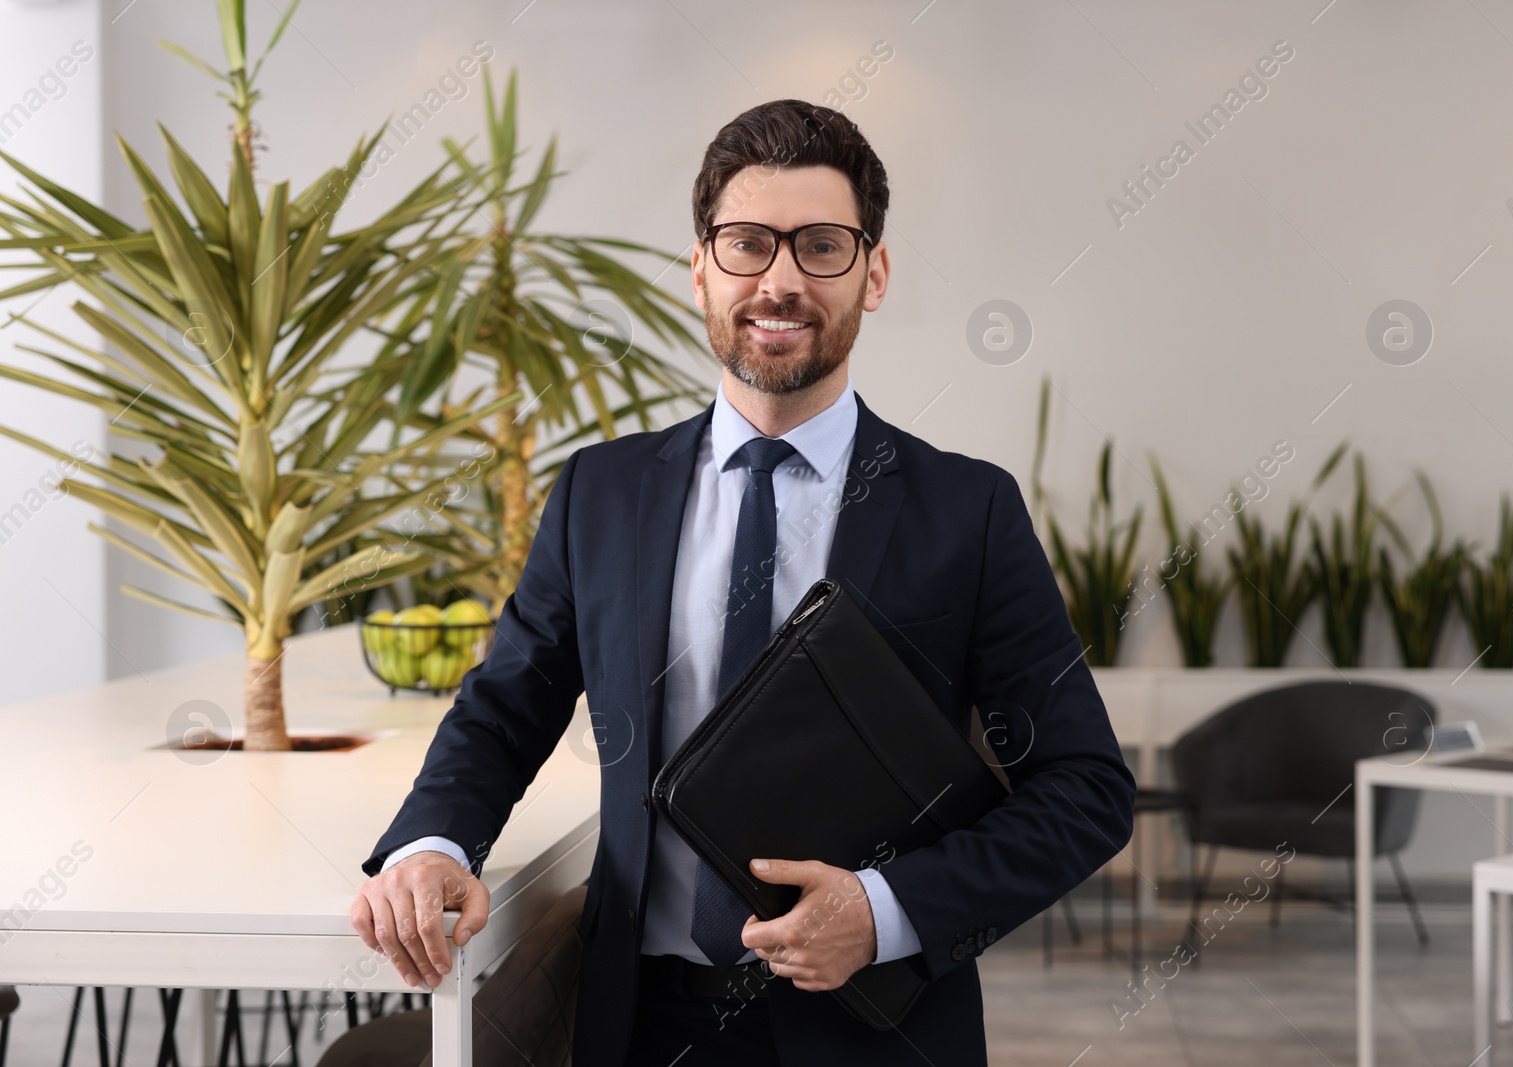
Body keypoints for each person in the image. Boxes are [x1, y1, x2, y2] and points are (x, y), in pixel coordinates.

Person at [351, 98, 1135, 1066]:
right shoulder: (601, 491)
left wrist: (885, 909)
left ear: (873, 273)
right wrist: (431, 844)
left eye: (820, 246)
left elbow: (1084, 788)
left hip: (874, 1025)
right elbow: (506, 705)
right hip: (639, 1018)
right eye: (746, 244)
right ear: (699, 269)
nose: (780, 280)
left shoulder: (965, 508)